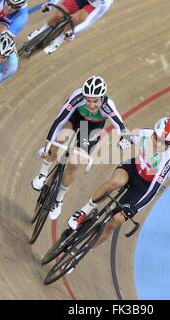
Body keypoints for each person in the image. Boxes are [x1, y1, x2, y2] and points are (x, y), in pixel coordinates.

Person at [67, 117, 170, 247]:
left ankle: (80, 252)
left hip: (144, 186)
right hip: (133, 167)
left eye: (165, 142)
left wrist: (134, 208)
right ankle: (83, 211)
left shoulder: (169, 159)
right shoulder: (146, 133)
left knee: (114, 222)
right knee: (115, 182)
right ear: (153, 133)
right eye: (157, 139)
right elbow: (129, 137)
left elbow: (153, 190)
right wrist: (123, 141)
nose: (159, 144)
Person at [32, 75, 131, 220]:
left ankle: (58, 200)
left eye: (95, 101)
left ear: (102, 98)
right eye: (88, 100)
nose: (91, 105)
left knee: (74, 164)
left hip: (89, 128)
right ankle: (43, 172)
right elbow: (59, 120)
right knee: (61, 137)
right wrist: (47, 146)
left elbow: (122, 127)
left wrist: (125, 140)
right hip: (75, 117)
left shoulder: (108, 106)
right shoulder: (77, 97)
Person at [27, 0, 113, 54]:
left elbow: (88, 22)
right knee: (59, 13)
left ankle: (58, 40)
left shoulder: (105, 2)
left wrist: (72, 32)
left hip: (93, 7)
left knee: (75, 19)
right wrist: (51, 3)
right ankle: (42, 28)